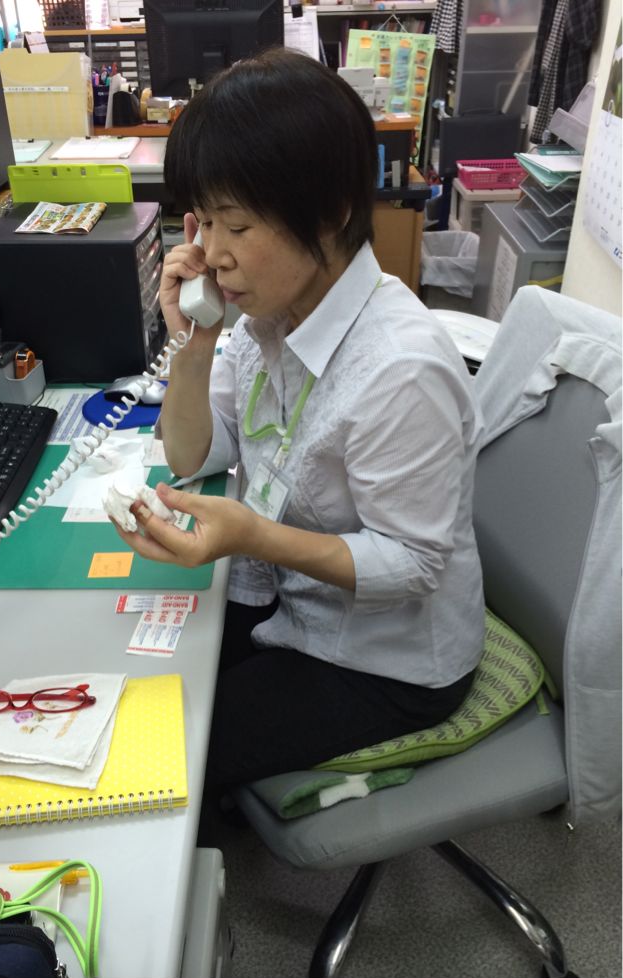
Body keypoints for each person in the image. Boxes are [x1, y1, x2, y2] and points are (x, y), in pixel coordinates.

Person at [110, 48, 485, 798]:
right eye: (204, 221)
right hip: (287, 601)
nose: (212, 256)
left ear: (331, 212)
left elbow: (413, 564)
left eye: (238, 225)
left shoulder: (400, 369)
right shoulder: (265, 320)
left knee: (169, 745)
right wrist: (194, 344)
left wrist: (252, 536)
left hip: (385, 660)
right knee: (133, 674)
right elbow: (189, 454)